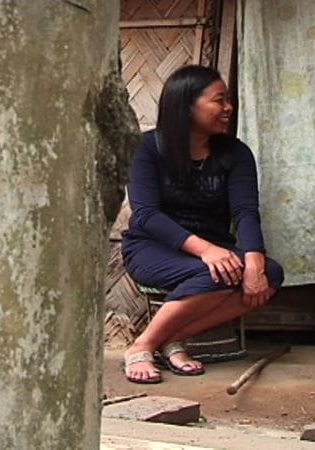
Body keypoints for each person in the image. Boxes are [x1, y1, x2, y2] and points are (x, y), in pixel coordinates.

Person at [121, 65, 284, 384]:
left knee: (271, 273)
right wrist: (207, 251)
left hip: (214, 249)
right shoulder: (147, 148)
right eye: (218, 100)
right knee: (215, 271)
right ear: (186, 105)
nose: (228, 108)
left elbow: (246, 212)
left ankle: (170, 339)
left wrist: (254, 261)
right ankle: (141, 346)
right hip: (153, 248)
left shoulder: (235, 154)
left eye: (228, 100)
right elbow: (146, 215)